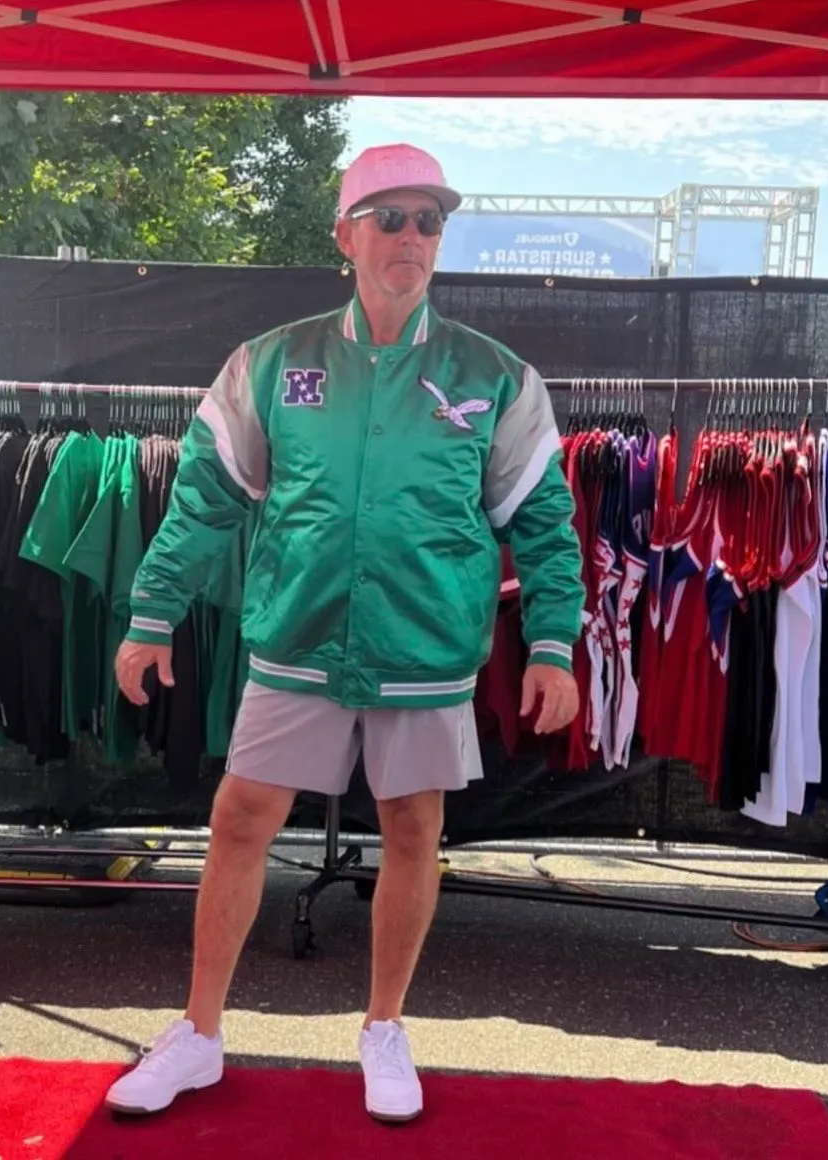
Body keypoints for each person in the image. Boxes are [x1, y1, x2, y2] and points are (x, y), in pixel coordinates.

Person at [107, 142, 585, 1124]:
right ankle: (198, 1034)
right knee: (240, 820)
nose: (411, 237)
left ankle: (383, 1028)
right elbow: (204, 502)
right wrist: (152, 611)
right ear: (347, 236)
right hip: (299, 641)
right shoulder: (272, 365)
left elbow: (543, 525)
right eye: (391, 217)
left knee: (414, 828)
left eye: (429, 220)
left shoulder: (494, 378)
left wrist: (551, 643)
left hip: (425, 648)